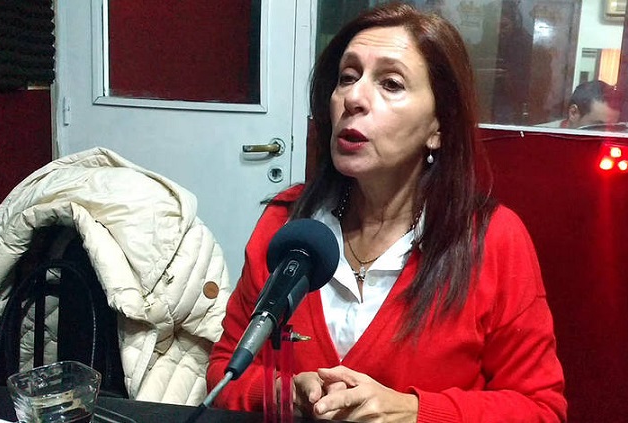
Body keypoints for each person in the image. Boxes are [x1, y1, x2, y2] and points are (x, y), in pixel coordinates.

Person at [207, 3, 567, 422]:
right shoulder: (289, 224)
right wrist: (284, 393)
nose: (353, 98)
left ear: (439, 127)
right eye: (347, 77)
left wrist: (414, 411)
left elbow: (541, 410)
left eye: (391, 83)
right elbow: (224, 373)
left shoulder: (492, 239)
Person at [542, 80, 621, 129]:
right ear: (573, 113)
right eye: (597, 126)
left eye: (612, 128)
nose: (606, 135)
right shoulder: (541, 138)